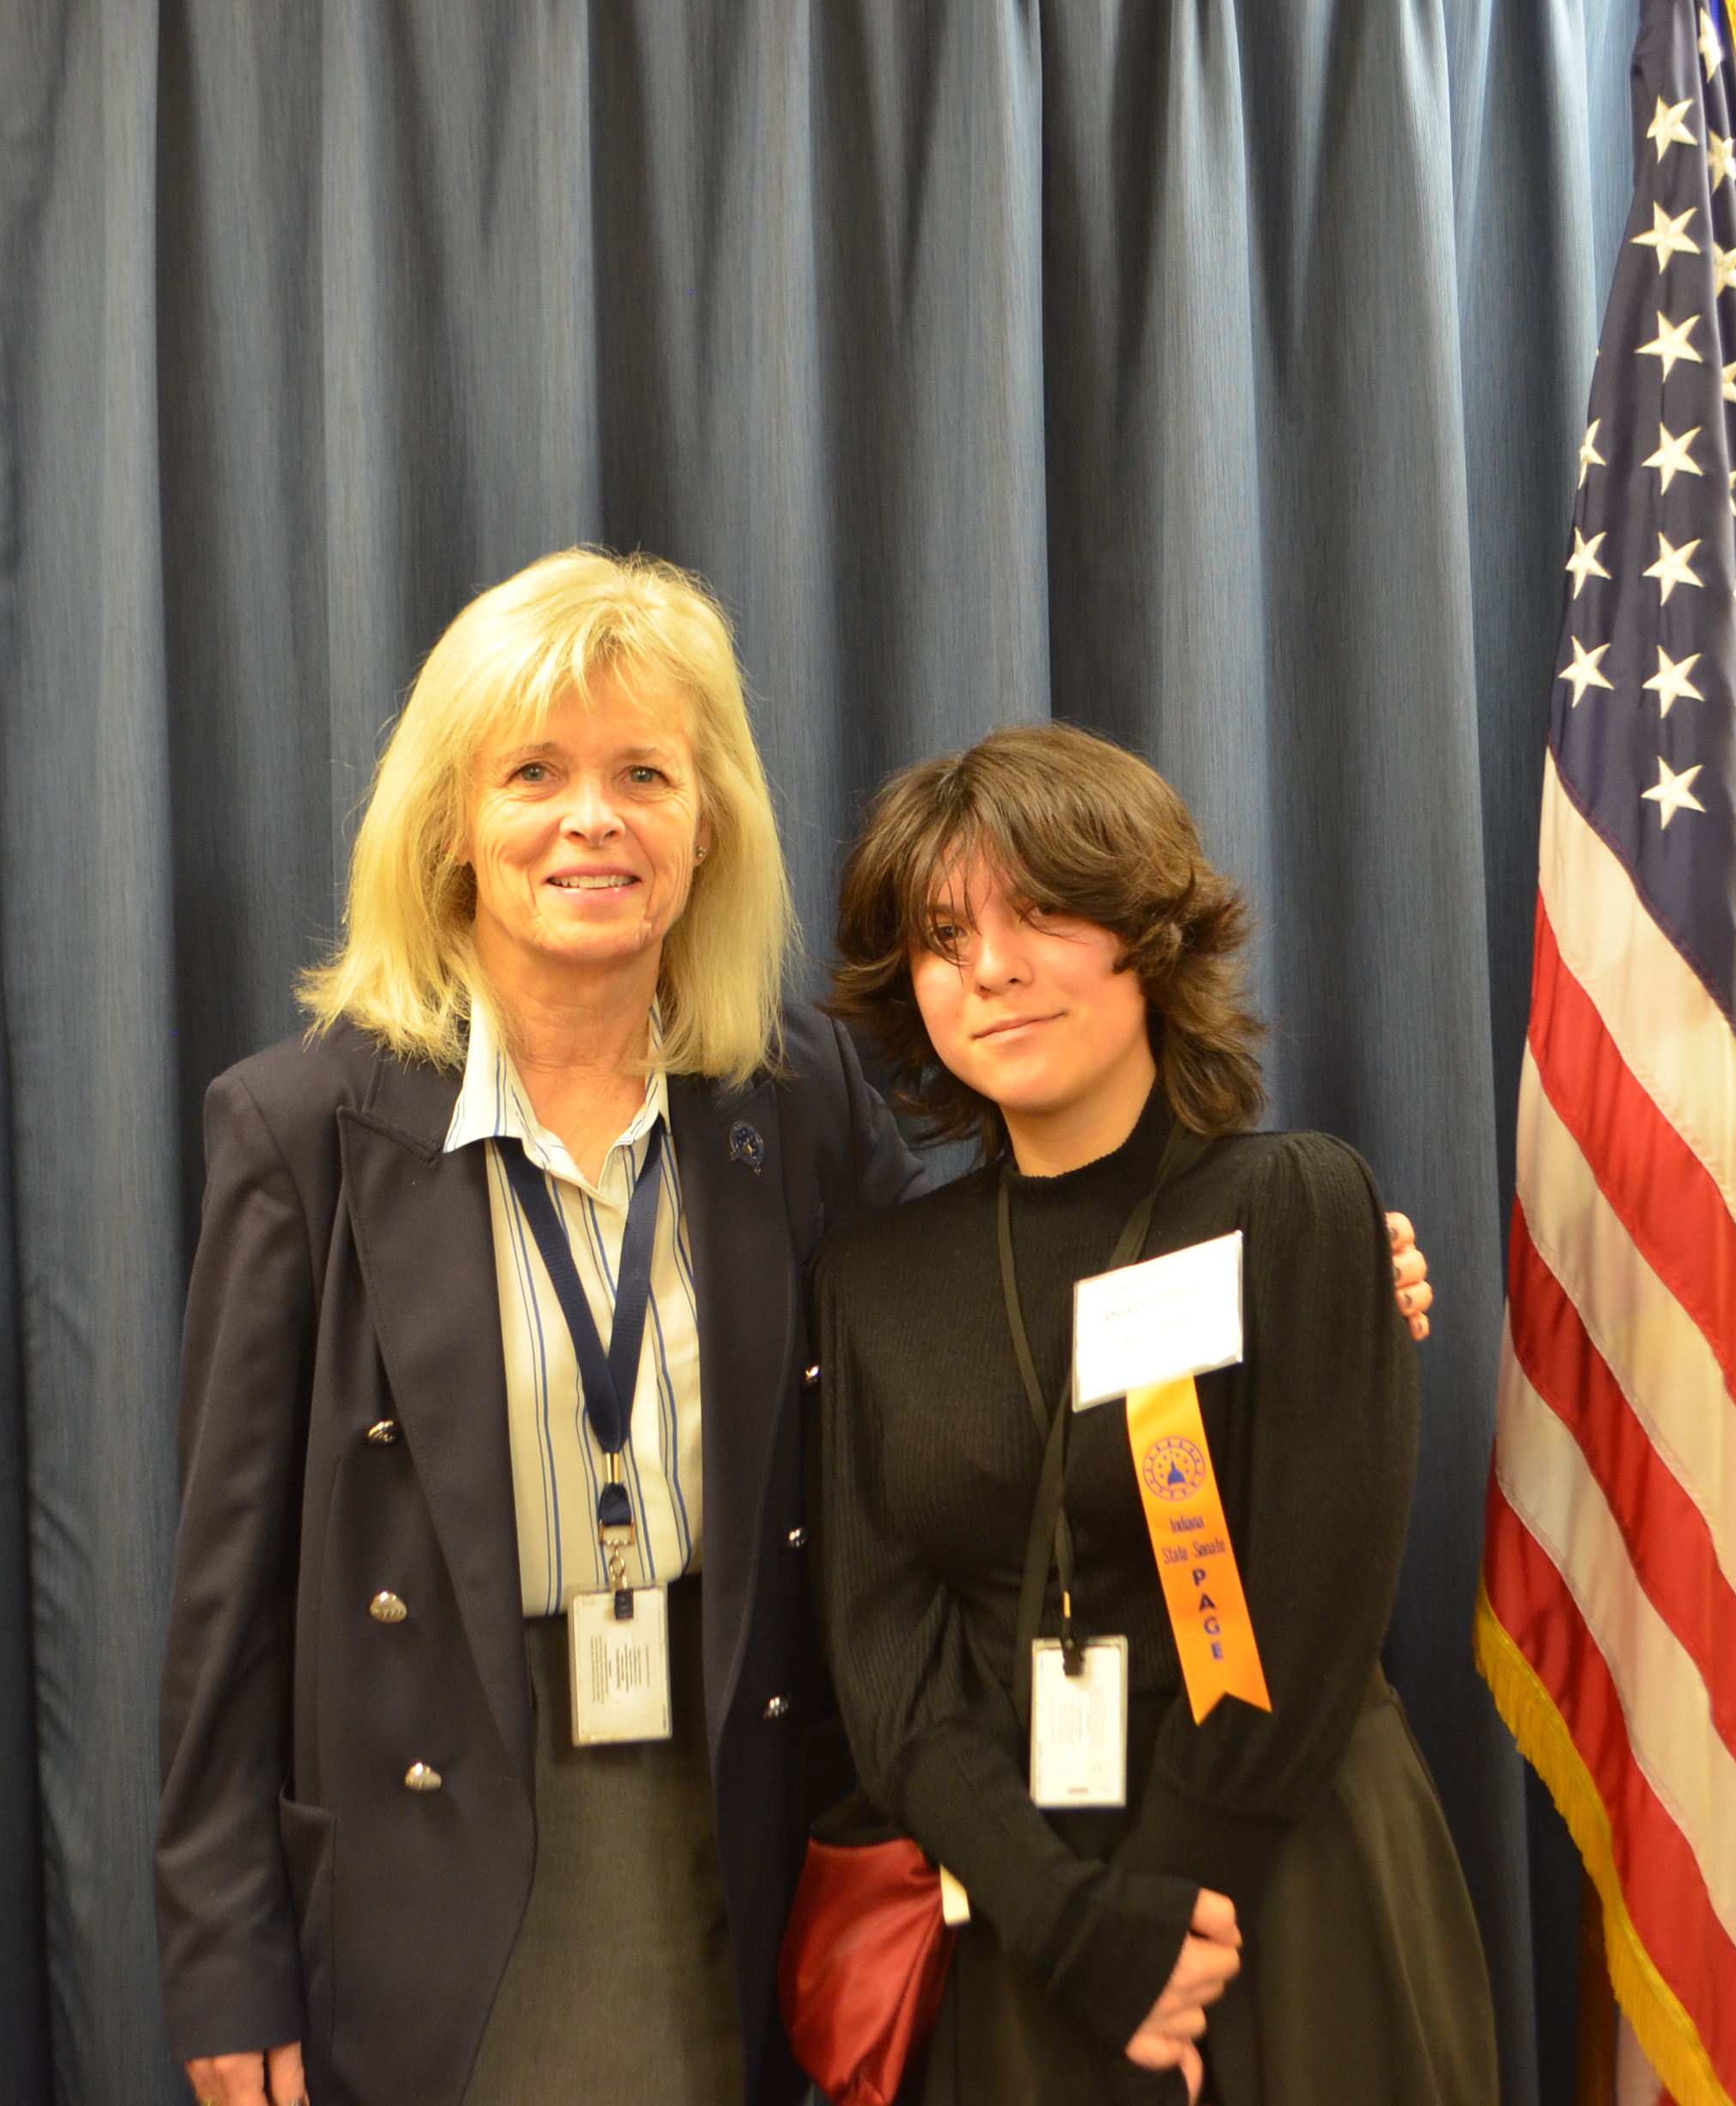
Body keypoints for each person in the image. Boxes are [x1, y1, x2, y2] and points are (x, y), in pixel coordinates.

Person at [156, 550, 1438, 2106]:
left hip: (737, 1803)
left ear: (707, 826)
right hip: (449, 1818)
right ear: (450, 824)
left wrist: (1311, 1286)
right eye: (534, 773)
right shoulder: (302, 1129)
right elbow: (226, 1597)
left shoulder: (792, 1097)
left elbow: (986, 1330)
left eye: (645, 774)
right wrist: (222, 1952)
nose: (592, 818)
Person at [813, 722, 1493, 2106]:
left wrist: (1166, 1929)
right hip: (1032, 1910)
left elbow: (1309, 1615)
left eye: (1038, 915)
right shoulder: (872, 1280)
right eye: (944, 937)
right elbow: (889, 1675)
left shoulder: (1298, 1202)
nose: (991, 968)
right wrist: (1077, 1930)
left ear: (1148, 936)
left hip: (1292, 1889)